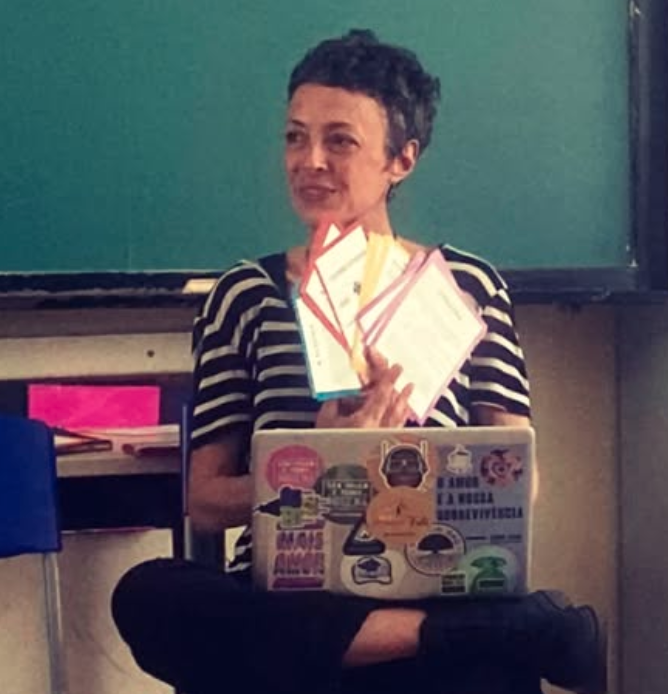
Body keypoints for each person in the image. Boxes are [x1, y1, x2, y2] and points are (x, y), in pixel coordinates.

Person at [112, 29, 606, 694]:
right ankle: (477, 632)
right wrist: (321, 466)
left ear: (401, 158)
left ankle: (442, 631)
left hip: (428, 578)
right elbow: (204, 501)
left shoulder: (467, 287)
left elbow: (518, 476)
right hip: (287, 594)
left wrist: (399, 466)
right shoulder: (244, 294)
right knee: (148, 593)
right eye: (295, 137)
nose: (309, 160)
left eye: (339, 141)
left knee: (449, 650)